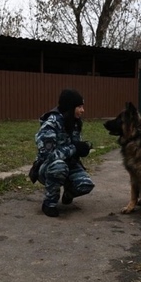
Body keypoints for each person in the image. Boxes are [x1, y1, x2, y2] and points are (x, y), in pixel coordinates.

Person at [33, 89, 94, 217]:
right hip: (48, 167)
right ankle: (49, 203)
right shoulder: (51, 123)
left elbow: (75, 145)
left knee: (85, 185)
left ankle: (68, 193)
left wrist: (82, 149)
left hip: (69, 165)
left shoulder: (74, 122)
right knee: (59, 167)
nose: (83, 110)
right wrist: (74, 148)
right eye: (79, 107)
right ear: (70, 107)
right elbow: (47, 155)